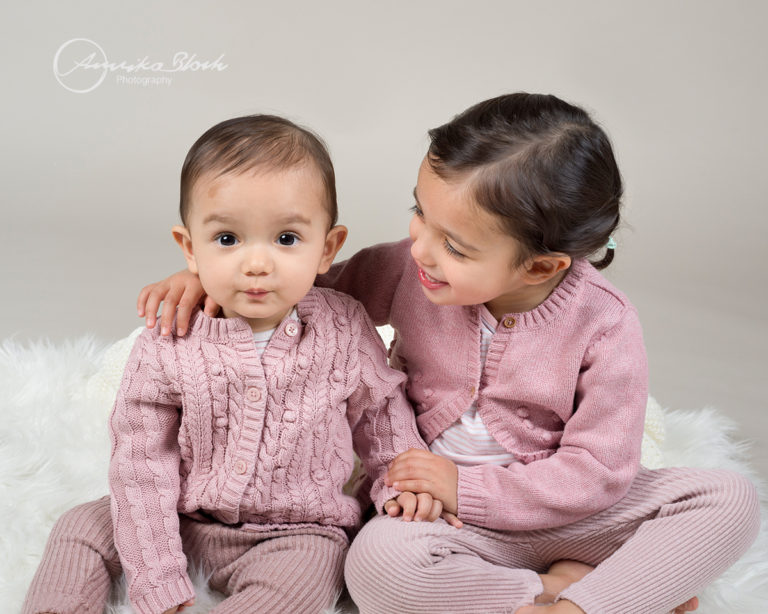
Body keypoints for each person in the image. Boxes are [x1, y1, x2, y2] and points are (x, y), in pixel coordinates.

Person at [135, 94, 761, 614]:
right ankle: (557, 592)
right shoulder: (411, 270)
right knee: (375, 568)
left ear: (540, 264)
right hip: (442, 522)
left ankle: (578, 606)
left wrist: (469, 487)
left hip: (565, 512)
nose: (422, 249)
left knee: (728, 499)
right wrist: (203, 278)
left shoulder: (604, 323)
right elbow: (302, 282)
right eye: (419, 213)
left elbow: (600, 472)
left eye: (455, 246)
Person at [22, 115, 442, 614]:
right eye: (227, 240)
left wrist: (401, 485)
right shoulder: (171, 337)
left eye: (287, 239)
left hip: (297, 533)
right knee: (81, 527)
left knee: (306, 579)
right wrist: (158, 578)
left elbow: (382, 419)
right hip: (184, 517)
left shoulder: (345, 328)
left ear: (327, 248)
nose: (257, 264)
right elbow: (140, 462)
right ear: (189, 248)